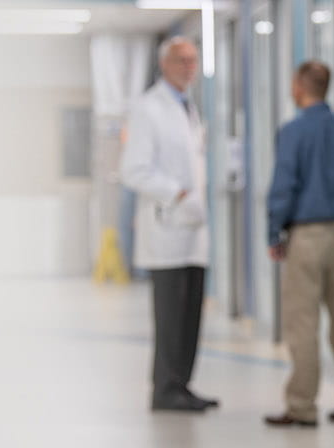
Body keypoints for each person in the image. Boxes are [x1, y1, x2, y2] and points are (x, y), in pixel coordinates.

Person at [262, 61, 334, 427]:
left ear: (299, 86)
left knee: (302, 320)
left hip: (305, 235)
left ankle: (302, 406)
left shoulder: (293, 132)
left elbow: (284, 186)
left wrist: (275, 232)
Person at [120, 37, 220, 412]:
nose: (188, 67)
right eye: (181, 60)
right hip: (167, 228)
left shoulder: (187, 108)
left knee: (190, 315)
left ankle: (182, 384)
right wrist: (175, 194)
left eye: (193, 60)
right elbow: (134, 170)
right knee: (170, 318)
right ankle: (164, 388)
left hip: (192, 229)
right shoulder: (149, 108)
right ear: (164, 64)